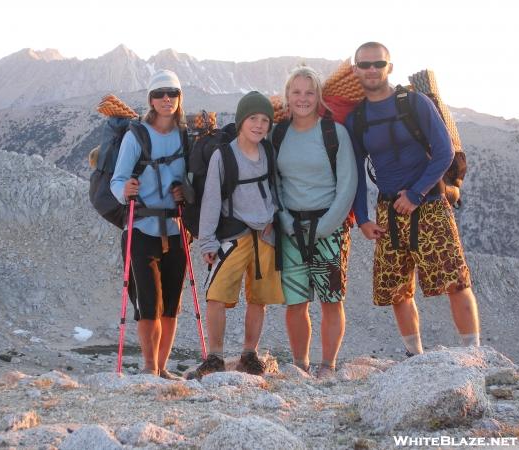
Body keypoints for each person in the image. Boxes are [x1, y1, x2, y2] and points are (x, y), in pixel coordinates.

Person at [345, 42, 480, 356]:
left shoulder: (414, 102)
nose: (371, 70)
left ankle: (475, 356)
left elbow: (444, 151)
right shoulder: (358, 119)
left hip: (430, 203)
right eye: (364, 65)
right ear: (355, 71)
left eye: (378, 64)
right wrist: (362, 219)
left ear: (389, 67)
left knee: (456, 281)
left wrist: (417, 193)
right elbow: (354, 172)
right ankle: (414, 358)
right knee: (397, 289)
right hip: (389, 210)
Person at [187, 91, 284, 379]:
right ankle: (215, 356)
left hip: (265, 236)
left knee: (259, 298)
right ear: (241, 121)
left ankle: (249, 355)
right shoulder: (224, 155)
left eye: (265, 120)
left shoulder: (268, 151)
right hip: (233, 235)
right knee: (216, 296)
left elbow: (278, 188)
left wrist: (274, 216)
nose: (259, 125)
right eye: (253, 118)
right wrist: (207, 240)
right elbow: (212, 199)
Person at [274, 66, 357, 377]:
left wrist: (327, 226)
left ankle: (328, 365)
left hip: (330, 228)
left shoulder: (334, 133)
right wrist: (282, 218)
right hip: (290, 229)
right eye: (296, 92)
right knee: (295, 301)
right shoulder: (278, 133)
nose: (303, 99)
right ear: (287, 96)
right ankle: (300, 364)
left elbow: (347, 184)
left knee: (330, 299)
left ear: (319, 96)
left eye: (309, 92)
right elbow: (275, 182)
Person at [110, 69, 187, 379]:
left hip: (177, 229)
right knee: (148, 303)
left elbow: (193, 177)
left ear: (180, 98)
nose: (165, 99)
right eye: (159, 94)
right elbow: (117, 180)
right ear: (151, 100)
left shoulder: (185, 136)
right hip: (141, 229)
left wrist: (186, 191)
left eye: (172, 93)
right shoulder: (136, 136)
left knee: (171, 305)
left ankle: (162, 367)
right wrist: (123, 190)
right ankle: (148, 367)